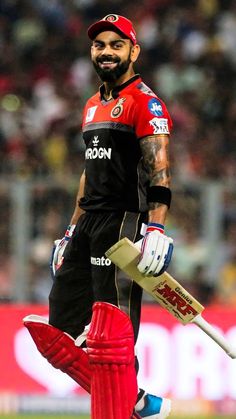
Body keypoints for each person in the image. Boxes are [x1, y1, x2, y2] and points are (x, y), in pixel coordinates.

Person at [24, 14, 174, 419]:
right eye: (99, 45)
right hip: (88, 223)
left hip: (124, 223)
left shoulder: (146, 102)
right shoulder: (92, 105)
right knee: (63, 330)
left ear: (133, 51)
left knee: (112, 337)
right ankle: (139, 401)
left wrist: (156, 227)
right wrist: (71, 231)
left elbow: (158, 169)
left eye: (116, 44)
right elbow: (89, 172)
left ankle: (125, 406)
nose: (106, 51)